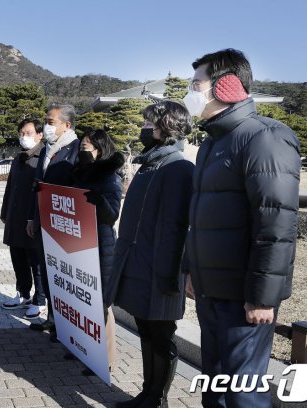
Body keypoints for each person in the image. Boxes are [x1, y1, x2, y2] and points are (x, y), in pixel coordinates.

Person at [184, 49, 300, 407]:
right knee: (216, 387)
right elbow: (201, 218)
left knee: (243, 392)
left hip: (243, 297)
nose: (190, 91)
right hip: (211, 291)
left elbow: (276, 222)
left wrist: (263, 296)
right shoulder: (213, 144)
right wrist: (192, 273)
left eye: (196, 83)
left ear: (228, 86)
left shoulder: (265, 137)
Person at [112, 101, 195, 408]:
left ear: (167, 127)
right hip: (137, 264)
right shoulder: (150, 165)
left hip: (162, 271)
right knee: (145, 330)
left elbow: (180, 228)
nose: (144, 128)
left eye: (150, 123)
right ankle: (147, 393)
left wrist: (176, 274)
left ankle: (157, 399)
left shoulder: (180, 168)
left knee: (161, 335)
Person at [71, 129, 124, 375]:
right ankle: (84, 347)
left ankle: (107, 358)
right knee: (82, 298)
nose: (82, 151)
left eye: (87, 147)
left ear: (100, 150)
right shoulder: (79, 173)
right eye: (81, 147)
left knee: (102, 304)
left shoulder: (109, 176)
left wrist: (98, 201)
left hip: (101, 245)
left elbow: (112, 214)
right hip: (80, 243)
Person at [26, 103, 80, 328]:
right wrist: (32, 217)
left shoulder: (77, 149)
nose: (47, 127)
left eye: (51, 122)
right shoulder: (47, 148)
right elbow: (37, 185)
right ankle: (52, 318)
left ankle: (66, 325)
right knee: (46, 270)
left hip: (64, 224)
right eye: (46, 121)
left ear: (67, 125)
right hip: (42, 220)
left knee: (63, 275)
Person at [0, 119, 45, 314]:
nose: (23, 137)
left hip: (32, 219)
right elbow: (10, 188)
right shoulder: (19, 158)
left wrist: (34, 218)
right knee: (17, 258)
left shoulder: (44, 157)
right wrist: (5, 213)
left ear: (40, 134)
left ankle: (40, 300)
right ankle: (23, 293)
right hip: (15, 217)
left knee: (35, 261)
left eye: (28, 133)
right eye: (21, 133)